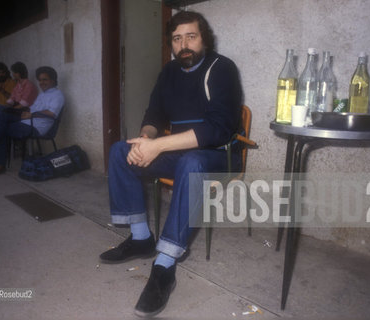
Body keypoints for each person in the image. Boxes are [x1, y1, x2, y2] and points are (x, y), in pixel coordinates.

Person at [100, 11, 242, 317]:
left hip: (219, 154)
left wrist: (158, 146)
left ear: (205, 39)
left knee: (192, 161)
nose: (184, 44)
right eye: (177, 39)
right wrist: (143, 142)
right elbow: (154, 116)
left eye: (191, 36)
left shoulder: (222, 69)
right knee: (119, 152)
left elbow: (217, 129)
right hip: (181, 152)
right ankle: (141, 238)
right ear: (171, 45)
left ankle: (164, 265)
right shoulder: (168, 73)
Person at [0, 66, 64, 177]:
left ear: (53, 80)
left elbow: (52, 113)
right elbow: (31, 109)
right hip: (26, 120)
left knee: (1, 127)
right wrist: (21, 112)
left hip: (36, 127)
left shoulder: (57, 95)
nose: (41, 82)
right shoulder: (42, 94)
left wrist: (32, 114)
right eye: (40, 80)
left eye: (45, 79)